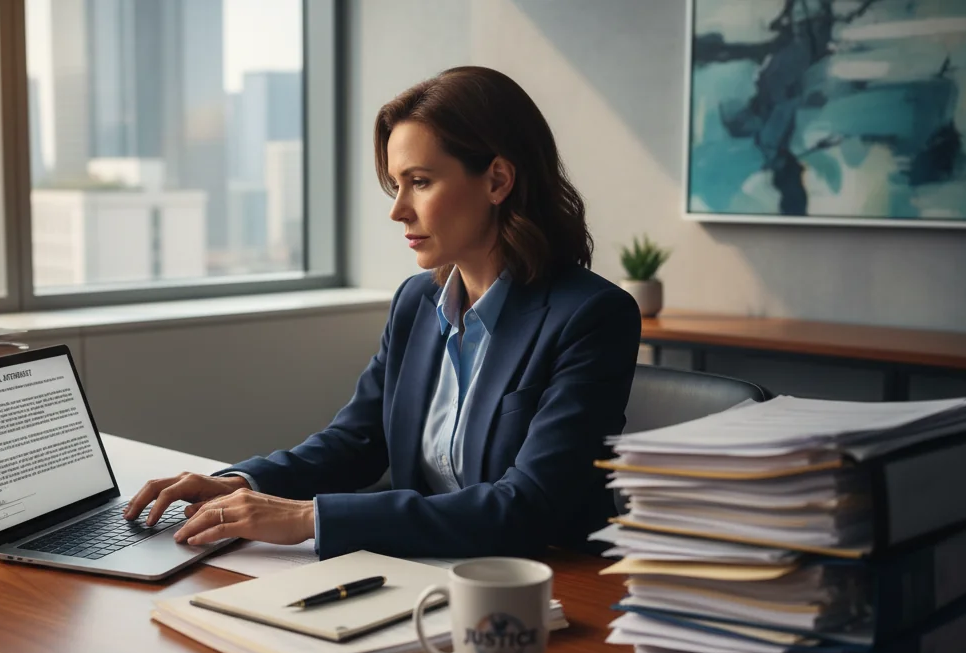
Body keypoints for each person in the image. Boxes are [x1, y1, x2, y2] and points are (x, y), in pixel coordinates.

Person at [123, 66, 641, 559]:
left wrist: (308, 518)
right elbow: (356, 442)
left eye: (420, 181)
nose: (398, 210)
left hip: (550, 585)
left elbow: (527, 506)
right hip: (422, 571)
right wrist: (241, 483)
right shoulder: (416, 303)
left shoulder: (592, 317)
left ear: (497, 180)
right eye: (397, 184)